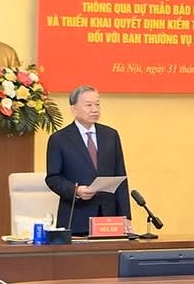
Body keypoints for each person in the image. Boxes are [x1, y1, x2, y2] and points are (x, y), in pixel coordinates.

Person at [43, 85, 131, 235]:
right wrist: (76, 190)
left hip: (109, 219)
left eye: (97, 104)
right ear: (73, 109)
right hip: (76, 218)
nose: (95, 109)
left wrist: (126, 216)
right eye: (88, 105)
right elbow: (53, 178)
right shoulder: (59, 139)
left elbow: (121, 177)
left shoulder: (111, 135)